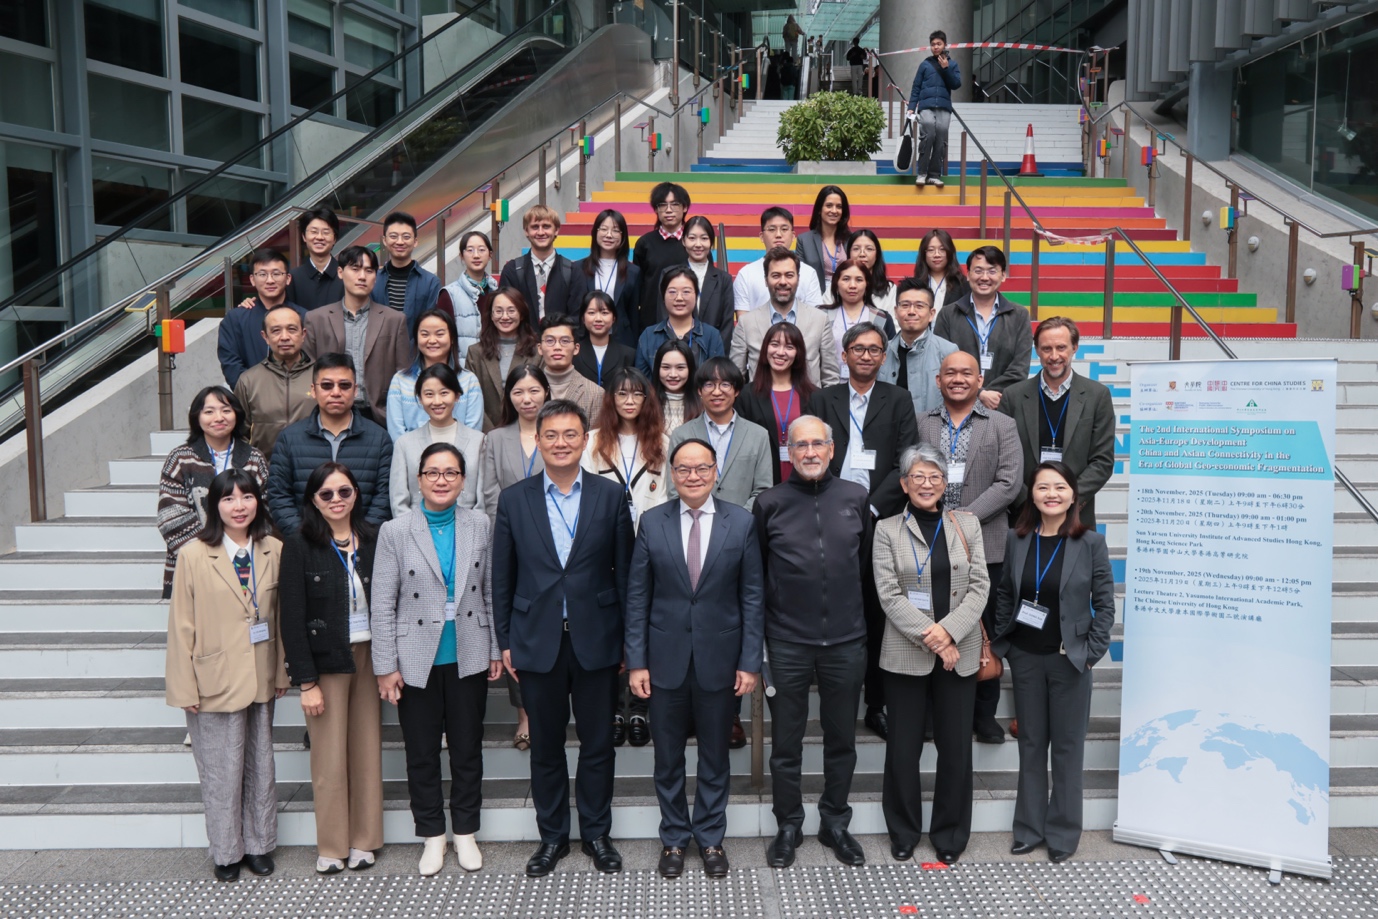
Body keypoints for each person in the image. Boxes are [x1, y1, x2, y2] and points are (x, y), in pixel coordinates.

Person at [492, 400, 635, 878]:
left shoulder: (610, 496)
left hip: (598, 638)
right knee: (546, 746)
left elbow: (627, 574)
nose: (560, 443)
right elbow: (502, 577)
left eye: (570, 434)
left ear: (584, 439)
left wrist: (628, 642)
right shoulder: (514, 499)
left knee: (598, 745)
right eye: (550, 435)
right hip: (536, 641)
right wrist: (505, 639)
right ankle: (552, 836)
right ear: (537, 440)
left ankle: (596, 833)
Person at [625, 438, 764, 879]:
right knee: (667, 758)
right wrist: (636, 661)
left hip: (720, 661)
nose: (693, 476)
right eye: (684, 468)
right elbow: (637, 597)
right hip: (664, 661)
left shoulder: (741, 522)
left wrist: (750, 661)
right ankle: (673, 839)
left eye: (702, 468)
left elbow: (752, 596)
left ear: (715, 471)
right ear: (672, 473)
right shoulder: (652, 521)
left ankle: (709, 838)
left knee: (715, 757)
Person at [372, 442, 502, 875]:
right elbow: (382, 604)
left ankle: (465, 831)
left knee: (467, 748)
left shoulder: (479, 524)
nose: (441, 480)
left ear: (463, 480)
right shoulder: (395, 530)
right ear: (418, 479)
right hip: (414, 656)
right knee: (421, 751)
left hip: (468, 649)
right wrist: (385, 666)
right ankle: (432, 835)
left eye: (450, 473)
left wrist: (494, 647)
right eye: (432, 472)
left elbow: (489, 591)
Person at [754, 415, 871, 869]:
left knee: (842, 739)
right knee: (786, 743)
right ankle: (788, 824)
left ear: (831, 448)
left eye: (817, 444)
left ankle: (835, 822)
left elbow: (864, 568)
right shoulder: (769, 503)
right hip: (787, 641)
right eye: (800, 445)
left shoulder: (856, 498)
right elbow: (757, 574)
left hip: (846, 640)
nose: (809, 452)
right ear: (788, 450)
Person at [165, 469, 289, 881]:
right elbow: (181, 625)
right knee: (221, 770)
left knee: (260, 765)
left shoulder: (273, 548)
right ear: (213, 506)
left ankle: (258, 845)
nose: (239, 506)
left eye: (247, 497)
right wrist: (184, 686)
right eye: (229, 498)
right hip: (213, 678)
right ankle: (226, 851)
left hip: (260, 673)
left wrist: (282, 671)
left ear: (258, 502)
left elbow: (281, 618)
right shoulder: (193, 555)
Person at [991, 461, 1115, 863]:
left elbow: (1105, 605)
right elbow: (1006, 594)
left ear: (1073, 494)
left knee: (1066, 749)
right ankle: (1028, 829)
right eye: (1043, 487)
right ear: (1032, 494)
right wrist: (1007, 643)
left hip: (1069, 661)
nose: (1051, 494)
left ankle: (1062, 833)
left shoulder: (1091, 543)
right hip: (1026, 659)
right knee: (1031, 746)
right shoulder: (1018, 539)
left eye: (1059, 487)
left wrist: (1090, 653)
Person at [873, 445, 990, 864]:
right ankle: (903, 831)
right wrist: (937, 639)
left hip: (961, 652)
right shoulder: (887, 529)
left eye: (935, 477)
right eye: (918, 477)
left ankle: (950, 834)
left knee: (955, 749)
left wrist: (950, 632)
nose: (927, 484)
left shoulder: (966, 523)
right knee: (903, 750)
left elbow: (980, 585)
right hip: (906, 653)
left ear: (945, 483)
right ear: (904, 484)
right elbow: (889, 594)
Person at [807, 322, 919, 738]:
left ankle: (876, 703)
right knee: (831, 603)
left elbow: (905, 459)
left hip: (881, 519)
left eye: (874, 349)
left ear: (884, 357)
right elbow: (813, 453)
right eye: (858, 348)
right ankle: (832, 696)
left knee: (877, 611)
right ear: (845, 354)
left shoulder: (898, 399)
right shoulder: (823, 399)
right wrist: (836, 503)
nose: (866, 355)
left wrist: (869, 505)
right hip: (828, 517)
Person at [278, 462, 384, 875]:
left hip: (370, 657)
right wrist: (305, 681)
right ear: (313, 500)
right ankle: (332, 845)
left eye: (344, 491)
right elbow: (291, 617)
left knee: (366, 751)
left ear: (356, 494)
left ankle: (364, 840)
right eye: (326, 494)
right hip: (325, 662)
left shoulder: (373, 539)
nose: (336, 500)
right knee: (328, 757)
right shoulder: (299, 545)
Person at [918, 349, 1023, 743]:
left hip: (985, 544)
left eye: (967, 373)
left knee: (984, 627)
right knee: (933, 624)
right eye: (950, 373)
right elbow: (913, 475)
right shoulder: (922, 423)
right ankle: (932, 712)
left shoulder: (1002, 425)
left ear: (980, 380)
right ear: (938, 380)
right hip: (929, 541)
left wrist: (964, 520)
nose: (958, 379)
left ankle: (984, 715)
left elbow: (1009, 483)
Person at [582, 367, 670, 747]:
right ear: (611, 399)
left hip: (651, 545)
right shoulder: (592, 442)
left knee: (645, 623)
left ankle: (640, 708)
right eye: (622, 394)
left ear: (647, 399)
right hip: (606, 547)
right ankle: (615, 709)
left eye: (637, 394)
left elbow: (669, 495)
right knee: (612, 624)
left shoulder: (663, 442)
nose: (630, 401)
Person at [478, 363, 550, 750]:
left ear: (546, 393)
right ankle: (524, 714)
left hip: (554, 547)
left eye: (534, 390)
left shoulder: (556, 433)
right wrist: (506, 538)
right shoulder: (495, 439)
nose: (527, 399)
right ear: (509, 396)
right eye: (519, 392)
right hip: (509, 543)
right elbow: (490, 496)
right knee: (514, 628)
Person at [999, 317, 1115, 528]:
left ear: (1074, 347)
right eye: (1046, 349)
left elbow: (1102, 461)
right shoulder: (1013, 396)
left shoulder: (1097, 396)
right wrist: (1029, 501)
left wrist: (1068, 499)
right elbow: (1003, 458)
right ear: (1037, 350)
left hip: (1076, 515)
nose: (1054, 356)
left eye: (1061, 347)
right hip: (1023, 516)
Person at [157, 387, 269, 598]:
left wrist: (238, 550)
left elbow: (266, 511)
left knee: (245, 614)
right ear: (197, 417)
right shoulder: (180, 459)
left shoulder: (254, 458)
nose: (218, 417)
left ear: (237, 414)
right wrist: (210, 556)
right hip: (195, 564)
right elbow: (169, 516)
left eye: (226, 410)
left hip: (245, 559)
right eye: (209, 411)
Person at [267, 353, 393, 536]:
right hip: (307, 542)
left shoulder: (379, 438)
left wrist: (361, 538)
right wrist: (304, 539)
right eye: (327, 385)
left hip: (363, 542)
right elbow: (279, 496)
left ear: (355, 390)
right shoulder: (289, 438)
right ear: (313, 390)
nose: (336, 392)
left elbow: (384, 497)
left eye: (344, 385)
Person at [304, 245, 413, 429]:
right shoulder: (316, 319)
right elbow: (308, 372)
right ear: (340, 272)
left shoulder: (394, 320)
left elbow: (403, 375)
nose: (362, 276)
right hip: (328, 414)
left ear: (375, 276)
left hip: (378, 416)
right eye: (355, 269)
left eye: (369, 270)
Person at [668, 357, 773, 512]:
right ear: (699, 391)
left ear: (736, 391)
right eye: (709, 385)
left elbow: (763, 490)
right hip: (694, 521)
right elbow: (674, 490)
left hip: (742, 523)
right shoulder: (681, 435)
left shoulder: (758, 435)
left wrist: (739, 520)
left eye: (725, 384)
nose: (717, 392)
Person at [934, 245, 1031, 410]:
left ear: (1003, 275)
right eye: (978, 271)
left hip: (1002, 405)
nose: (984, 277)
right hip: (957, 405)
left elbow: (1019, 369)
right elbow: (941, 362)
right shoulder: (948, 315)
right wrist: (979, 393)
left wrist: (991, 394)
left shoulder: (1019, 315)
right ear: (968, 275)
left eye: (992, 271)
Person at [731, 247, 839, 388]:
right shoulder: (746, 323)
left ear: (798, 279)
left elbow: (830, 377)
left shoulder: (820, 320)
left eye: (789, 275)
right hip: (761, 400)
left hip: (809, 401)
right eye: (776, 275)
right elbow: (735, 377)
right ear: (766, 280)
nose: (783, 281)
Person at [390, 364, 485, 516]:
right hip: (415, 526)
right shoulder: (404, 444)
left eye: (444, 393)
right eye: (429, 394)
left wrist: (471, 527)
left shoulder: (479, 441)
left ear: (457, 395)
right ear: (420, 399)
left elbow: (483, 501)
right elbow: (398, 502)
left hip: (469, 526)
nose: (437, 401)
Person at [735, 321, 816, 485]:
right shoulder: (747, 395)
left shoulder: (814, 395)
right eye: (774, 344)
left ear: (798, 353)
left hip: (806, 482)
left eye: (789, 347)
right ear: (765, 349)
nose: (780, 352)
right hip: (761, 482)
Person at [233, 305, 316, 460]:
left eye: (292, 329)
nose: (284, 337)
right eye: (276, 331)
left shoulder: (321, 376)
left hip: (313, 467)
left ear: (303, 334)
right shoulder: (249, 380)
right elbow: (238, 433)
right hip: (264, 468)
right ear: (265, 336)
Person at [385, 308, 483, 439]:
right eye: (425, 334)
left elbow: (473, 434)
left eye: (439, 334)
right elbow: (396, 433)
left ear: (452, 338)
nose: (432, 340)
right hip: (411, 451)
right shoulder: (400, 380)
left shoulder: (469, 381)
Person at [218, 248, 305, 388]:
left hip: (298, 394)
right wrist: (255, 392)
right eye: (262, 274)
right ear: (252, 279)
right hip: (251, 395)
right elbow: (231, 364)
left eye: (276, 274)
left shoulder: (304, 316)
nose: (270, 280)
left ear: (288, 278)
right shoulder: (235, 319)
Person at [878, 279, 959, 417]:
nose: (911, 311)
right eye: (905, 305)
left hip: (932, 428)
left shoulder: (948, 351)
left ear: (931, 314)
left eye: (919, 306)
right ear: (896, 312)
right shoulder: (882, 351)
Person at [465, 287, 541, 432]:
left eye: (511, 311)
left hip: (527, 432)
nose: (505, 317)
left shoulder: (538, 352)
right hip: (485, 433)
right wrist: (492, 434)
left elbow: (541, 396)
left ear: (521, 314)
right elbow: (471, 398)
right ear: (491, 315)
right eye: (499, 311)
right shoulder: (475, 353)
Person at [498, 205, 583, 321]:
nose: (541, 232)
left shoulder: (573, 271)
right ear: (526, 231)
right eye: (535, 227)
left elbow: (577, 317)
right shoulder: (512, 270)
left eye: (546, 226)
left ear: (556, 230)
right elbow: (506, 313)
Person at [636, 266, 725, 376]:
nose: (679, 298)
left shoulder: (711, 336)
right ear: (663, 296)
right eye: (672, 292)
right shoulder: (648, 336)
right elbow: (642, 381)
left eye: (686, 292)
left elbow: (716, 378)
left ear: (696, 296)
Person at [732, 208, 824, 312]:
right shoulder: (746, 274)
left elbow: (815, 316)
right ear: (762, 237)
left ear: (793, 236)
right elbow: (743, 318)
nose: (778, 235)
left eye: (784, 229)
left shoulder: (809, 273)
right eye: (772, 229)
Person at [575, 209, 640, 347]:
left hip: (621, 341)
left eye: (615, 230)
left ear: (623, 236)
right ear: (595, 232)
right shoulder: (578, 268)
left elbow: (634, 314)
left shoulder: (633, 272)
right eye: (604, 229)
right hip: (585, 340)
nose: (609, 235)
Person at [820, 260, 896, 378]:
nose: (852, 285)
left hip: (873, 385)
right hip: (828, 384)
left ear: (867, 285)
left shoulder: (882, 318)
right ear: (836, 284)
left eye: (859, 280)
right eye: (846, 279)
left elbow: (890, 361)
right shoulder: (821, 315)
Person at [632, 182, 692, 332]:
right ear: (656, 209)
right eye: (662, 205)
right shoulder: (644, 243)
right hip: (651, 323)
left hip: (688, 323)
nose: (668, 210)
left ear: (685, 207)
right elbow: (638, 287)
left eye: (675, 204)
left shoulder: (694, 244)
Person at [372, 211, 441, 337]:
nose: (400, 242)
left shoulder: (431, 282)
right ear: (384, 240)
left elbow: (432, 325)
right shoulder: (373, 279)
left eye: (406, 237)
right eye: (393, 236)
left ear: (415, 241)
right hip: (379, 348)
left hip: (416, 349)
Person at [907, 30, 962, 188]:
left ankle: (934, 175)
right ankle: (922, 173)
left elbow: (956, 84)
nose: (936, 47)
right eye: (933, 44)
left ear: (945, 45)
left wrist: (946, 69)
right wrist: (911, 107)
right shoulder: (925, 64)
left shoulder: (952, 65)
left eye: (939, 44)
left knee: (941, 139)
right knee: (928, 134)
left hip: (944, 107)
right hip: (926, 106)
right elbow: (916, 86)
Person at [436, 230, 495, 361]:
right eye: (470, 250)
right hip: (461, 368)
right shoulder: (449, 295)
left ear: (490, 255)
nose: (476, 255)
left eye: (481, 250)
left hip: (493, 367)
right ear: (461, 256)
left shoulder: (497, 292)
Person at [538, 313, 604, 426]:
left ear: (576, 348)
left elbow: (596, 436)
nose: (557, 347)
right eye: (550, 341)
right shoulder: (526, 389)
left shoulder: (595, 393)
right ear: (539, 348)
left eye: (565, 341)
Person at [681, 216, 735, 347]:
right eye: (692, 238)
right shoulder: (670, 276)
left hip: (713, 352)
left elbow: (727, 325)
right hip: (678, 352)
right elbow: (664, 317)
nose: (698, 244)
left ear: (711, 242)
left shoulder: (724, 279)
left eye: (704, 238)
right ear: (683, 241)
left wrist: (716, 354)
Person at [573, 290, 637, 387]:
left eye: (604, 313)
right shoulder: (573, 353)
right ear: (583, 318)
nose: (598, 319)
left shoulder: (628, 355)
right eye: (591, 313)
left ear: (613, 318)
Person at [286, 208, 345, 310]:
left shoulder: (346, 275)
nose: (319, 237)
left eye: (326, 232)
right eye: (314, 232)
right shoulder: (293, 278)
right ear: (304, 236)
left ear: (334, 238)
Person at [796, 186, 851, 291]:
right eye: (829, 205)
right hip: (815, 295)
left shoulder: (851, 239)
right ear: (819, 209)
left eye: (839, 207)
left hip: (847, 294)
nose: (834, 211)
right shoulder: (804, 240)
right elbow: (800, 274)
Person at [913, 228, 969, 313]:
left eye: (942, 249)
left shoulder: (962, 284)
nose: (937, 254)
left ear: (950, 252)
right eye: (931, 250)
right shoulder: (915, 285)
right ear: (924, 254)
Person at [652, 339, 702, 433]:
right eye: (666, 367)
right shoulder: (646, 403)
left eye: (680, 367)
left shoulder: (703, 404)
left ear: (690, 369)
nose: (673, 374)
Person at [845, 229, 898, 318]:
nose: (862, 254)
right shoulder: (837, 286)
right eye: (856, 249)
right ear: (848, 253)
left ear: (877, 255)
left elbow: (894, 323)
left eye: (869, 249)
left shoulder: (890, 289)